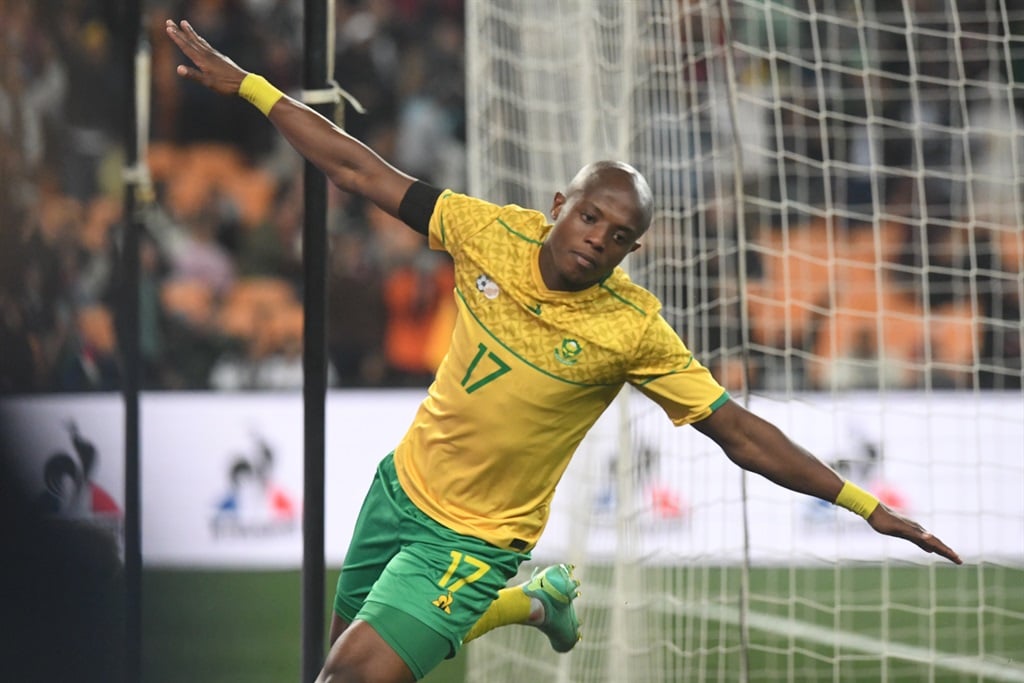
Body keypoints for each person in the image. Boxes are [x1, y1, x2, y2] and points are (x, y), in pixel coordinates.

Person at [165, 19, 962, 683]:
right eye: (590, 218)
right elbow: (356, 169)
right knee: (329, 668)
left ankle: (515, 589)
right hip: (399, 485)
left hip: (473, 538)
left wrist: (866, 506)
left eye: (620, 237)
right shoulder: (488, 231)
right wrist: (253, 85)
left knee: (345, 679)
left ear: (632, 250)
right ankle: (539, 601)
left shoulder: (633, 329)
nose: (599, 240)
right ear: (559, 205)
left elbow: (738, 430)